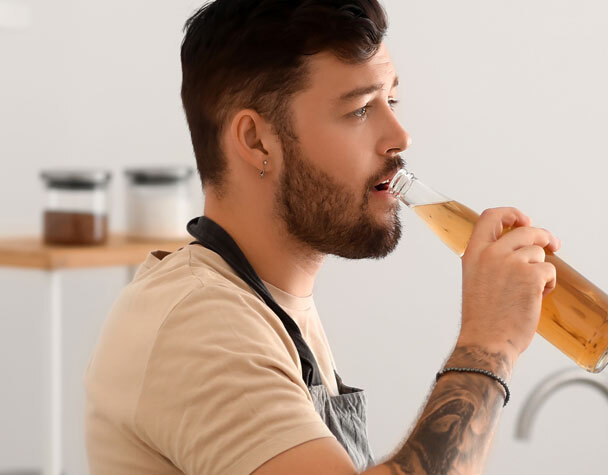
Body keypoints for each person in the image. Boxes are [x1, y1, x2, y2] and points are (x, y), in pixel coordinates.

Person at [84, 0, 561, 474]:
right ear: (255, 141)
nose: (400, 136)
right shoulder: (202, 326)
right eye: (358, 110)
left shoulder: (265, 302)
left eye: (391, 101)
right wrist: (487, 346)